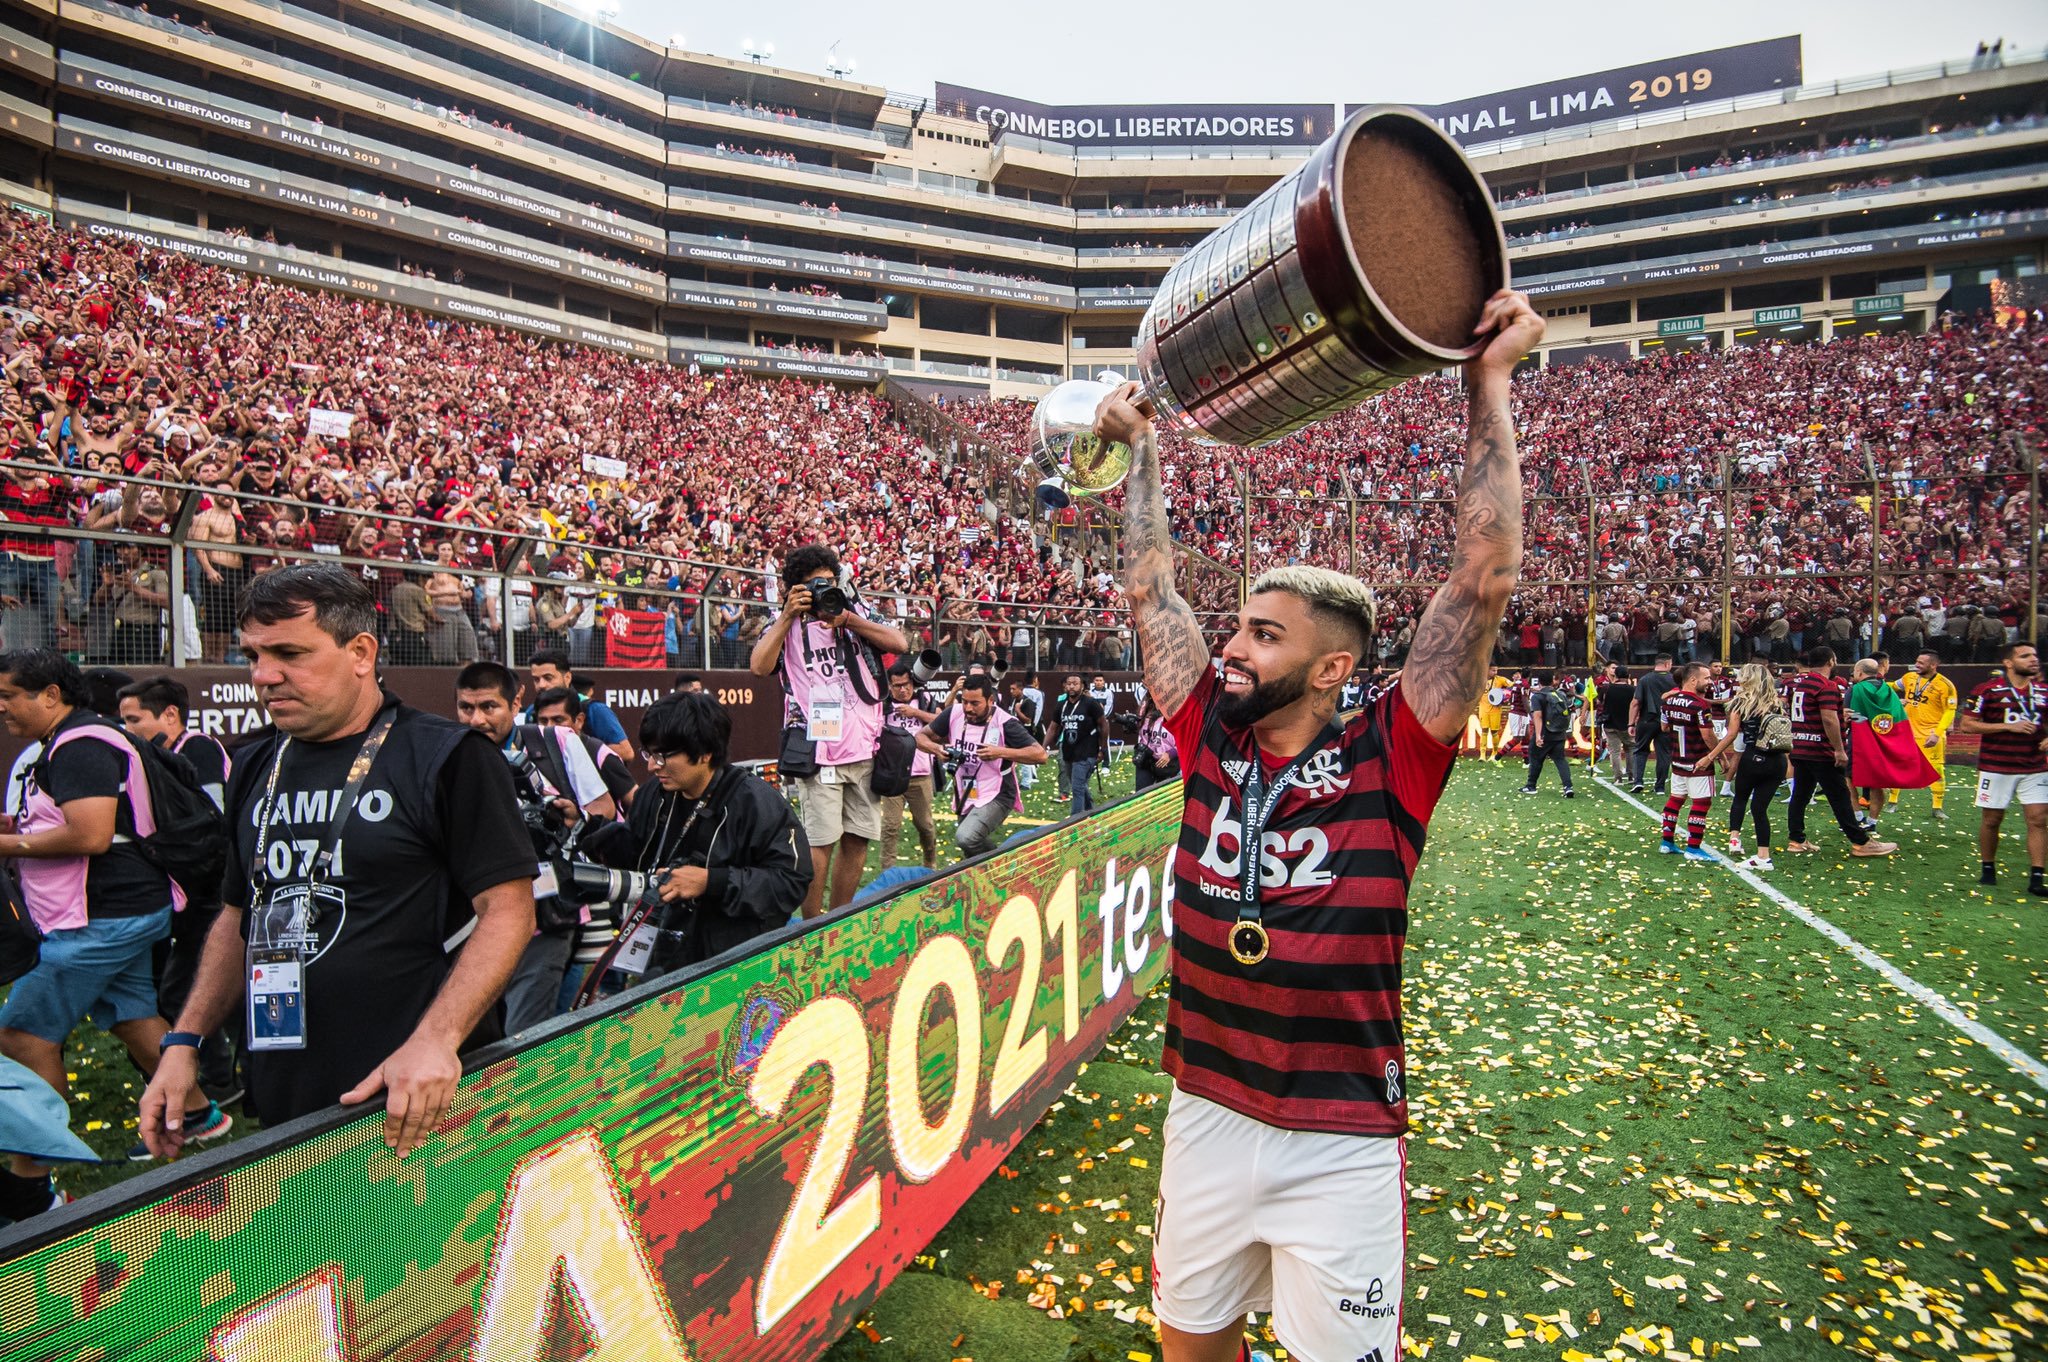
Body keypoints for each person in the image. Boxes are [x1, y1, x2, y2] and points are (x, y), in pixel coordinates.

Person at [1101, 288, 1541, 1362]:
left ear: (1332, 668)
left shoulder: (1390, 754)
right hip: (1204, 1108)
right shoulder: (1210, 729)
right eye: (1236, 627)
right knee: (1189, 1348)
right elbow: (1152, 589)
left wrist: (1487, 383)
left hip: (1339, 1139)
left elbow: (1480, 582)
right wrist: (1142, 452)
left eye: (1260, 635)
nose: (1231, 648)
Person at [138, 565, 537, 1161]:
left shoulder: (447, 756)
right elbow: (237, 914)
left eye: (290, 654)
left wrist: (436, 1039)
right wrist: (184, 1041)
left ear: (360, 652)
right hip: (285, 1084)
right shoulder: (252, 764)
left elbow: (508, 911)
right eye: (252, 656)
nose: (265, 676)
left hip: (416, 1094)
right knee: (309, 1250)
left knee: (429, 1250)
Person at [0, 650, 232, 1213]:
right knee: (132, 1016)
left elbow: (92, 834)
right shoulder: (71, 741)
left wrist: (6, 844)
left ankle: (34, 1187)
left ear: (50, 695)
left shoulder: (80, 744)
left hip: (104, 919)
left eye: (8, 695)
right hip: (114, 912)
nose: (1, 707)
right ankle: (201, 1116)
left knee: (21, 1035)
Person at [581, 693, 810, 970]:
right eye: (649, 754)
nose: (652, 766)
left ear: (705, 753)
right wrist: (587, 827)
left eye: (663, 756)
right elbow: (638, 852)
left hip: (733, 963)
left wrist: (711, 882)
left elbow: (790, 881)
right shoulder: (654, 793)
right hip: (663, 953)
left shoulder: (755, 803)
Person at [453, 661, 616, 1034]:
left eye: (489, 707)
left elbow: (604, 808)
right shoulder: (450, 754)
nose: (477, 720)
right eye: (466, 708)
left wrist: (568, 816)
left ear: (515, 703)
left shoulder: (555, 741)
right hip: (476, 920)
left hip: (546, 915)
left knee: (527, 1036)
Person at [749, 544, 910, 916]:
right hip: (819, 749)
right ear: (794, 589)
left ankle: (839, 917)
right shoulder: (785, 624)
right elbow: (759, 667)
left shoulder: (853, 612)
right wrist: (789, 615)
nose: (823, 590)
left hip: (865, 745)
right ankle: (812, 924)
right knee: (820, 842)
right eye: (812, 585)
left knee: (857, 838)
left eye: (828, 582)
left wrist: (848, 619)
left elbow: (900, 644)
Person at [117, 675, 238, 1108]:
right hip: (192, 891)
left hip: (213, 891)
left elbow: (212, 822)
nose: (128, 730)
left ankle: (219, 1082)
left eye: (135, 719)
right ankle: (225, 1077)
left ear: (170, 715)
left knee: (183, 989)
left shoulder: (198, 749)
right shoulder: (162, 756)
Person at [1782, 647, 1895, 857]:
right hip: (1820, 749)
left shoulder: (1799, 683)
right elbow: (1827, 718)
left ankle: (1796, 839)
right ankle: (1861, 842)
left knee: (1801, 794)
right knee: (1840, 796)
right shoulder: (1827, 685)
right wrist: (1839, 749)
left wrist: (1839, 715)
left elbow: (1810, 713)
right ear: (1831, 661)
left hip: (1800, 746)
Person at [917, 674, 1045, 859]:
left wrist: (1000, 752)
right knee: (970, 851)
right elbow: (920, 737)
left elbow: (1040, 754)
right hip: (965, 790)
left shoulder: (1005, 722)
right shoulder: (954, 713)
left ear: (990, 700)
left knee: (966, 837)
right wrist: (937, 749)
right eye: (965, 702)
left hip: (998, 792)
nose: (968, 708)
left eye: (975, 703)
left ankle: (1001, 863)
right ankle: (984, 882)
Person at [1957, 642, 2048, 895]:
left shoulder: (2043, 691)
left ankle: (2037, 877)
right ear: (2008, 662)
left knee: (2038, 819)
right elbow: (1968, 725)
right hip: (1996, 765)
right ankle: (1988, 868)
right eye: (2025, 656)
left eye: (2035, 655)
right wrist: (2008, 726)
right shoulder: (1987, 691)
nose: (2033, 660)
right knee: (1992, 819)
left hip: (2035, 765)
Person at [1691, 663, 1790, 871]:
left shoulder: (1741, 702)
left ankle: (1735, 838)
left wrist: (1711, 757)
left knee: (1741, 798)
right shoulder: (1777, 703)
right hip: (1777, 760)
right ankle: (1763, 855)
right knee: (1760, 809)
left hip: (1753, 756)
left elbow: (1732, 734)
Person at [530, 686, 637, 807]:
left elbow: (636, 802)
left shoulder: (599, 754)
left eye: (558, 720)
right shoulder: (530, 751)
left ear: (579, 720)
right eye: (543, 721)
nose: (549, 727)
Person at [878, 662, 939, 871]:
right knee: (890, 826)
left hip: (920, 774)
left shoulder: (924, 700)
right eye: (897, 686)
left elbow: (942, 720)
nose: (902, 690)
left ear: (912, 683)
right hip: (892, 776)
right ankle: (888, 870)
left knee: (925, 825)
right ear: (890, 686)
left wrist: (916, 713)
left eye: (906, 685)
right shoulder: (883, 704)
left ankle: (930, 862)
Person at [1656, 662, 1717, 859]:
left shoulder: (1669, 701)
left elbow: (1664, 727)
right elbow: (1708, 736)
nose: (1710, 682)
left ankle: (1667, 842)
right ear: (1693, 680)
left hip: (1678, 760)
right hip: (1698, 760)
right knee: (1701, 802)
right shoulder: (1700, 705)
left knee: (1675, 800)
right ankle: (1693, 848)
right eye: (1706, 678)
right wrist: (1719, 756)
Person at [1895, 650, 1957, 821]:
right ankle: (1892, 802)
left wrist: (1938, 734)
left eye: (1921, 663)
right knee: (1898, 765)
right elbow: (1892, 686)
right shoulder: (1909, 678)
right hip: (1906, 732)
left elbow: (1950, 711)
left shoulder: (1945, 685)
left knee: (1936, 770)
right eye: (1917, 661)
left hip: (1930, 735)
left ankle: (1937, 807)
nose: (1917, 665)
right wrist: (1876, 684)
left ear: (1933, 665)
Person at [1846, 657, 1906, 830]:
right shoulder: (1888, 690)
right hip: (1881, 742)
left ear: (1859, 672)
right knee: (1876, 782)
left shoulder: (1855, 689)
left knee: (1848, 779)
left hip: (1859, 741)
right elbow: (1897, 716)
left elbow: (1847, 716)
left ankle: (1857, 817)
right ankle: (1872, 821)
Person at [1050, 674, 1107, 814]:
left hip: (1087, 751)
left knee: (1077, 788)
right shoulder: (1061, 705)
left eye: (1075, 683)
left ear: (1082, 686)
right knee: (1079, 785)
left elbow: (1104, 725)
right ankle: (1092, 813)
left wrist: (1103, 748)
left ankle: (1074, 823)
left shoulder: (1090, 703)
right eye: (1068, 683)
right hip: (1069, 751)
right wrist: (1042, 746)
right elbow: (1053, 727)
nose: (1071, 686)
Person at [1518, 673, 1574, 796]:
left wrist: (1538, 735)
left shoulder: (1537, 697)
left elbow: (1538, 716)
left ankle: (1531, 786)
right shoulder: (1560, 694)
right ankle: (1568, 787)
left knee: (1535, 758)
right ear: (1553, 681)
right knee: (1560, 760)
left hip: (1545, 733)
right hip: (1559, 732)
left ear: (1539, 683)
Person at [1629, 653, 1677, 794]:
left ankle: (1638, 781)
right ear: (1668, 664)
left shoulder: (1645, 680)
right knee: (1664, 754)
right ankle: (1660, 786)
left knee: (1640, 750)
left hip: (1647, 720)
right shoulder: (1674, 680)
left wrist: (1631, 724)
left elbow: (1636, 702)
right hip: (1667, 721)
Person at [1131, 694, 1180, 791]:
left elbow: (1185, 742)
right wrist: (1131, 725)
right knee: (1142, 793)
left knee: (1167, 796)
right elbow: (1140, 732)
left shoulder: (1176, 710)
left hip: (1167, 761)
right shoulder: (1144, 709)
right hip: (1146, 757)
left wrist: (1171, 753)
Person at [1597, 663, 1633, 784]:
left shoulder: (1606, 688)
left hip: (1610, 723)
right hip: (1627, 724)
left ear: (1616, 675)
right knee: (1630, 748)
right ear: (1628, 676)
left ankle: (1618, 777)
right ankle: (1631, 775)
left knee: (1615, 751)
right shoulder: (1633, 689)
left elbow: (1599, 702)